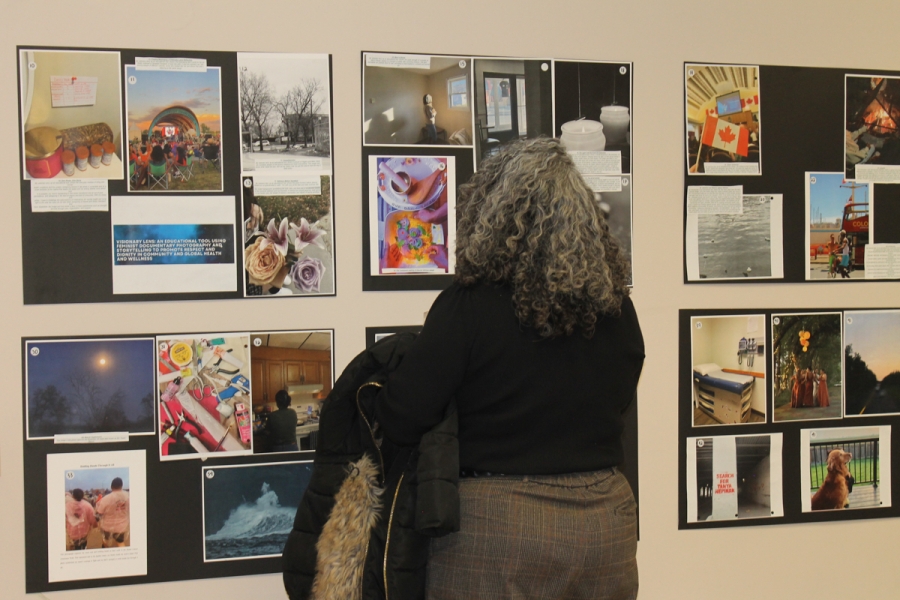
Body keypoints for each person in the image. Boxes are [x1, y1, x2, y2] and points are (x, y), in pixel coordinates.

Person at [377, 138, 643, 599]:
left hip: (499, 531)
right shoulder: (616, 308)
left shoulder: (469, 307)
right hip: (606, 524)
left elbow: (404, 414)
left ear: (492, 213)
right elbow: (621, 398)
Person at [95, 477, 130, 548]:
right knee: (120, 542)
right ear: (121, 486)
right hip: (121, 526)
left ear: (111, 487)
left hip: (107, 526)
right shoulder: (128, 497)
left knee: (105, 540)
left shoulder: (106, 499)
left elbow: (99, 513)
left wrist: (97, 523)